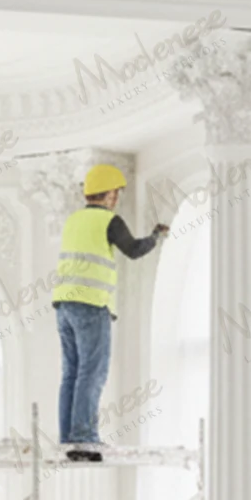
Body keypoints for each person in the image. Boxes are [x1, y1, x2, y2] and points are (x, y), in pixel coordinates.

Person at [51, 162, 168, 463]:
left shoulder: (73, 221)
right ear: (111, 195)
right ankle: (85, 440)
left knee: (72, 374)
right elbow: (133, 250)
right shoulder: (109, 221)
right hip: (91, 304)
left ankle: (68, 440)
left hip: (64, 305)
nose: (117, 198)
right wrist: (156, 237)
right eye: (117, 192)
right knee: (93, 372)